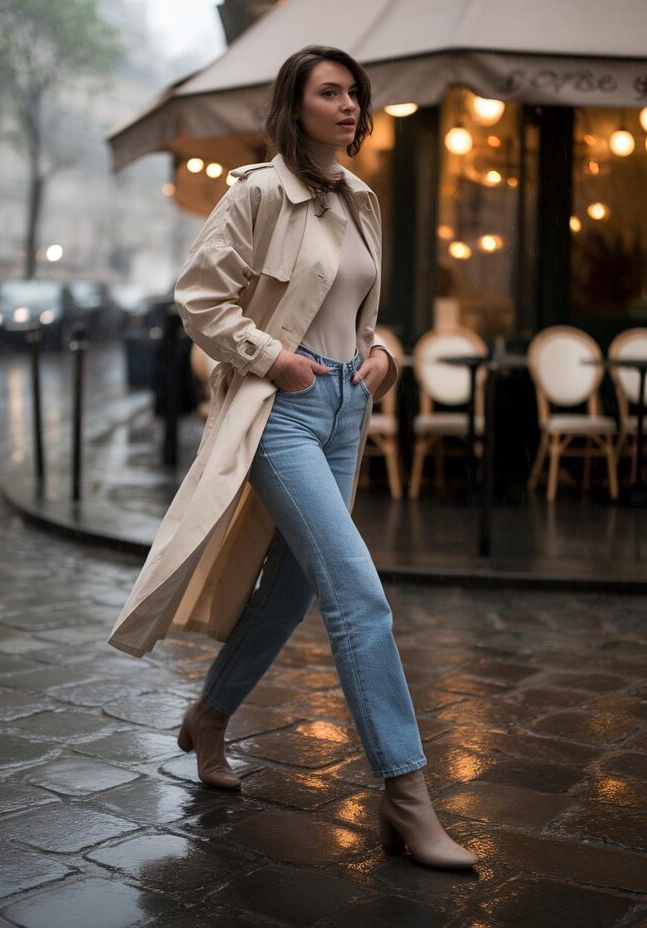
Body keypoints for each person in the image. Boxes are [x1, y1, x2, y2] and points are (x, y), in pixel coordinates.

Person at [169, 45, 478, 871]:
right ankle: (407, 799)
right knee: (358, 595)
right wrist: (272, 357)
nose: (348, 105)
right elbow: (199, 298)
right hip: (281, 412)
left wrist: (378, 355)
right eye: (329, 92)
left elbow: (353, 310)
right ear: (294, 106)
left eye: (355, 94)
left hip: (345, 406)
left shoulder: (361, 199)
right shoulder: (259, 192)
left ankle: (207, 717)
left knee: (295, 588)